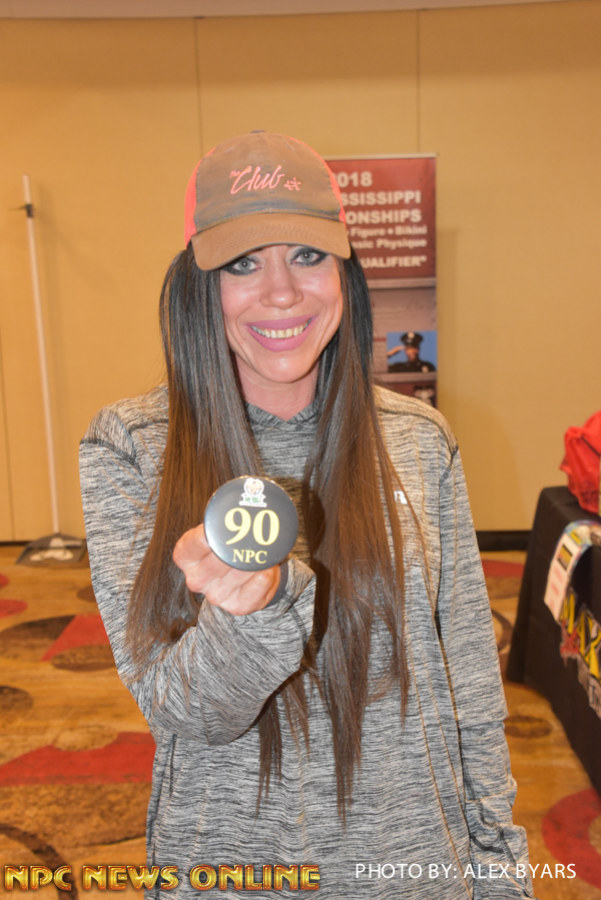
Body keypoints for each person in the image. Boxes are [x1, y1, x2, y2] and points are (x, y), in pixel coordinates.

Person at [79, 131, 535, 898]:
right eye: (242, 264)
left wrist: (498, 868)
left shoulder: (418, 440)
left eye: (307, 255)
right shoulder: (132, 445)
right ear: (198, 286)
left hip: (413, 865)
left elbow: (469, 693)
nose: (282, 292)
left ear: (344, 274)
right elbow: (182, 710)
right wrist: (253, 616)